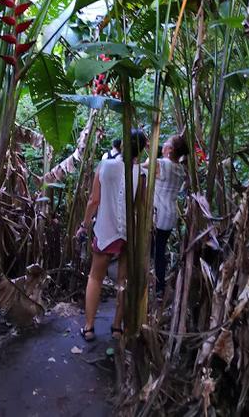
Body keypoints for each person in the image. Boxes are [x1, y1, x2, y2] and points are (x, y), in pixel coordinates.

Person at [77, 129, 147, 341]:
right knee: (122, 281)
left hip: (106, 230)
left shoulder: (105, 166)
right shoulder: (142, 174)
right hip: (128, 233)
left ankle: (89, 327)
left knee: (95, 277)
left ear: (123, 144)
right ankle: (117, 327)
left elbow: (93, 200)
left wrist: (84, 224)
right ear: (142, 149)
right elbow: (140, 206)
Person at [147, 134, 189, 297]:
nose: (162, 145)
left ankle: (157, 286)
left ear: (170, 149)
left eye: (165, 144)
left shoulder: (160, 164)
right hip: (170, 213)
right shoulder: (180, 168)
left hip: (158, 214)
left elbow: (144, 166)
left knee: (154, 250)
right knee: (160, 249)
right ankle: (159, 286)